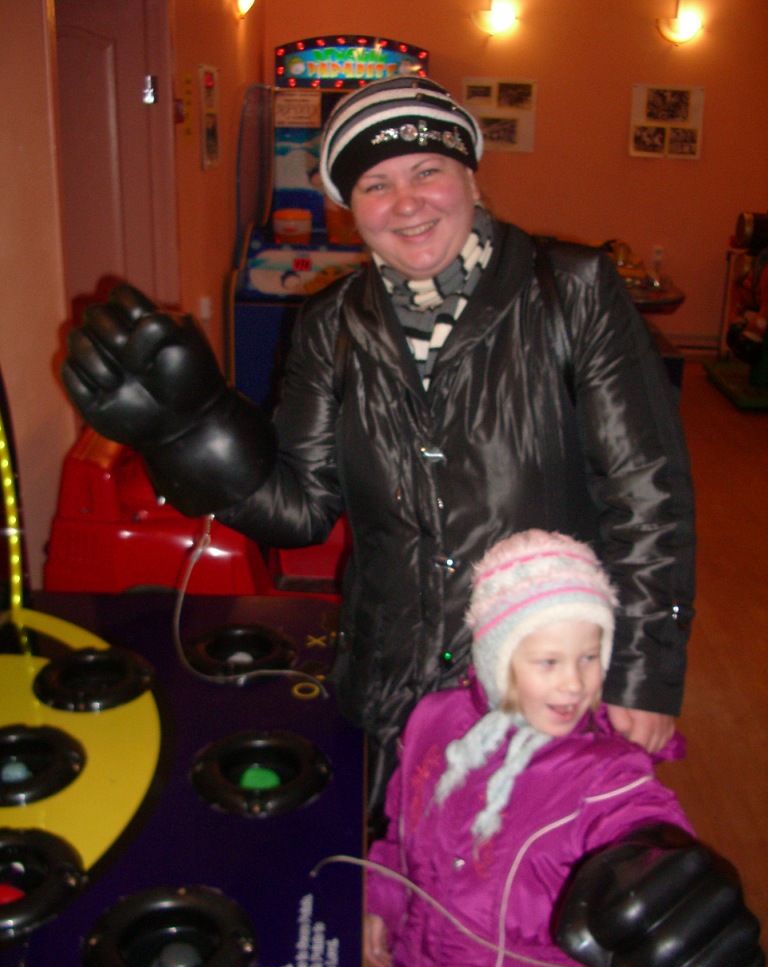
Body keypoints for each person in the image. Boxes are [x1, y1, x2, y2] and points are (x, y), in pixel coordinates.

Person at [61, 75, 696, 811]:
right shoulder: (329, 324)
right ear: (350, 208)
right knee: (398, 870)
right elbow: (300, 508)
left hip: (549, 685)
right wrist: (187, 432)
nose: (407, 202)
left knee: (533, 872)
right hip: (395, 691)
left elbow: (647, 495)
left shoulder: (571, 291)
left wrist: (643, 676)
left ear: (470, 178)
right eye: (375, 184)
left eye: (427, 171)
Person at [362, 529, 763, 967]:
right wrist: (385, 901)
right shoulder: (433, 723)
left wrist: (663, 873)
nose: (573, 683)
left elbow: (636, 818)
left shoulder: (602, 772)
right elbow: (400, 828)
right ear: (497, 659)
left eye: (589, 658)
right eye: (548, 662)